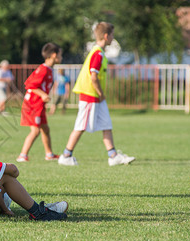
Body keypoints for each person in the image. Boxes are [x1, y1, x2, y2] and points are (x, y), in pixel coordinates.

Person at [58, 22, 135, 166]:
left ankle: (113, 156)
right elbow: (93, 76)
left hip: (97, 97)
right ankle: (66, 156)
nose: (113, 37)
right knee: (80, 126)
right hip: (91, 96)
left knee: (106, 125)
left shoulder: (99, 52)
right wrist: (100, 93)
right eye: (112, 35)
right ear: (106, 36)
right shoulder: (98, 53)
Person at [16, 43, 62, 162]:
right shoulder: (43, 69)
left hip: (39, 105)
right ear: (54, 55)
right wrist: (42, 95)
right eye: (60, 55)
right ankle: (22, 155)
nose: (61, 57)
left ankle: (49, 154)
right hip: (32, 105)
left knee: (45, 129)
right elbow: (30, 85)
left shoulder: (49, 69)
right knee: (35, 131)